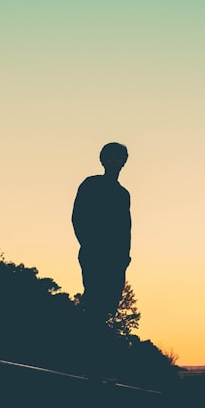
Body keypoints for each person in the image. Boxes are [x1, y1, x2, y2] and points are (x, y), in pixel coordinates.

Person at [72, 142, 132, 334]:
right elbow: (78, 217)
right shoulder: (91, 184)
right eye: (110, 157)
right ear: (102, 160)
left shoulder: (123, 194)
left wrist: (125, 257)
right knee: (94, 299)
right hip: (94, 253)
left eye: (118, 158)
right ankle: (84, 340)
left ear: (123, 162)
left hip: (117, 258)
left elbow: (125, 228)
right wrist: (90, 245)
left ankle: (95, 340)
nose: (114, 161)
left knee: (110, 302)